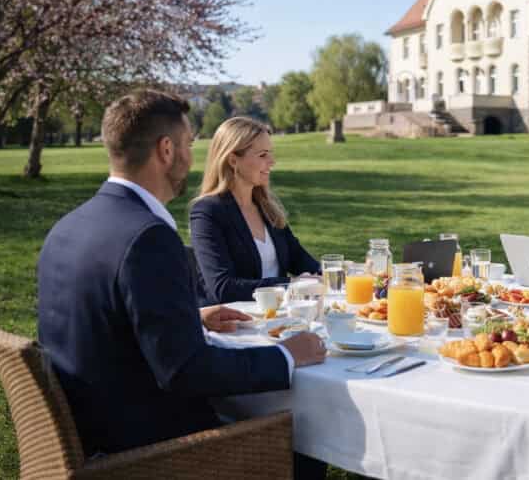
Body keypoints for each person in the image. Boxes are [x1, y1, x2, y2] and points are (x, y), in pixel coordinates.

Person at [37, 90, 326, 458]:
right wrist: (285, 356)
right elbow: (186, 371)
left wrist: (193, 318)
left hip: (90, 427)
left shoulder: (67, 226)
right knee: (298, 439)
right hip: (144, 448)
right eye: (190, 143)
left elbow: (110, 323)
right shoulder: (148, 237)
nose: (193, 157)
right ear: (166, 150)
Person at [191, 117, 320, 304]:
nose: (272, 161)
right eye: (263, 155)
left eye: (270, 153)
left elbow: (301, 260)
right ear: (233, 160)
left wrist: (338, 273)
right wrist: (290, 285)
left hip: (280, 320)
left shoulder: (267, 208)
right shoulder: (207, 212)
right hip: (235, 326)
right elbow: (223, 288)